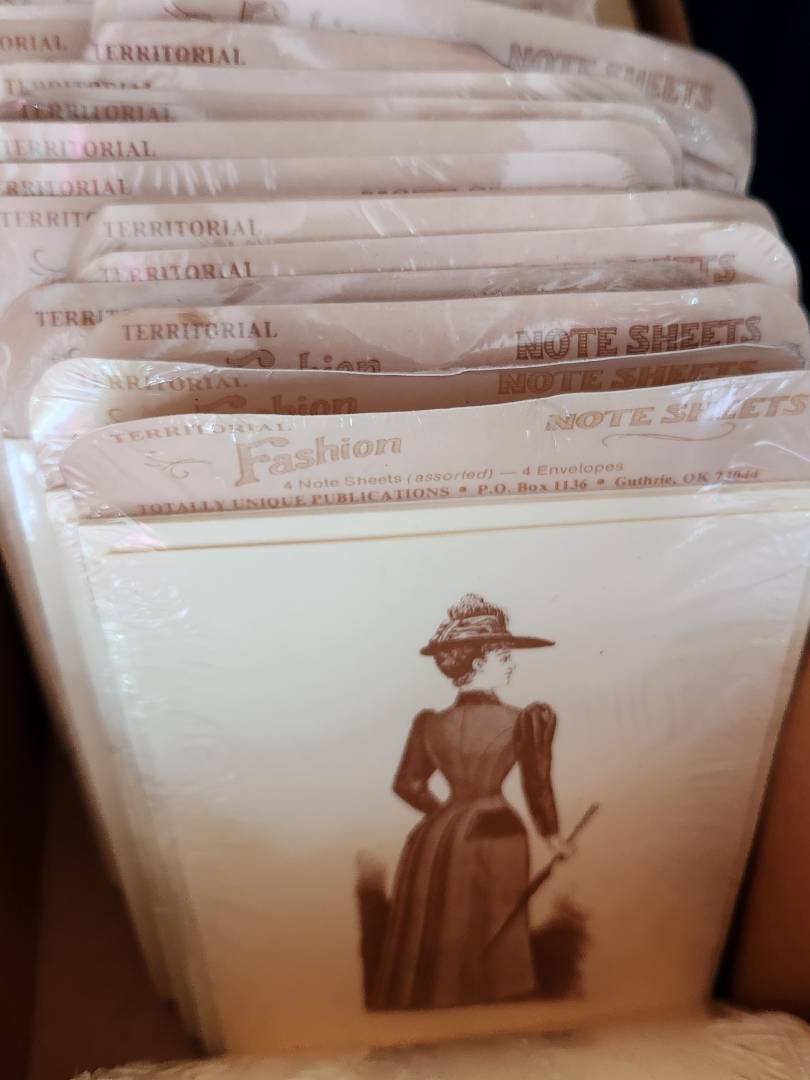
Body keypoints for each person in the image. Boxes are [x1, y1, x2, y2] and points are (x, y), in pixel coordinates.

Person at [371, 594, 570, 1012]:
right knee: (490, 923)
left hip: (434, 840)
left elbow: (407, 785)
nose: (511, 664)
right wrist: (553, 836)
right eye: (503, 656)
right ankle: (490, 1008)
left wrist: (445, 816)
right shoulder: (524, 720)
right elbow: (537, 785)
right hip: (496, 831)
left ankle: (443, 1001)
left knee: (446, 920)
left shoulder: (430, 723)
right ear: (479, 663)